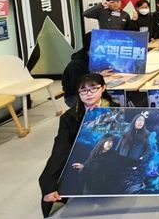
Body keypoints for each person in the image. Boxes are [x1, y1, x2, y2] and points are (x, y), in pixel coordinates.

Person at [39, 74, 118, 217]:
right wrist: (49, 185)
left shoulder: (117, 110)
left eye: (93, 88)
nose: (88, 94)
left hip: (108, 159)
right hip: (82, 157)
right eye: (83, 90)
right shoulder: (70, 117)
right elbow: (60, 149)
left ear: (103, 88)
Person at [61, 32, 113, 107]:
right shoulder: (76, 65)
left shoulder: (89, 58)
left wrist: (99, 74)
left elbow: (87, 75)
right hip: (75, 97)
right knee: (107, 100)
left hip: (87, 91)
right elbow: (79, 87)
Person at [117, 112, 151, 192]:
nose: (141, 122)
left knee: (129, 187)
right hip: (121, 162)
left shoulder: (145, 135)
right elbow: (118, 147)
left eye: (143, 121)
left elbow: (148, 150)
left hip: (134, 164)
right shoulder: (126, 133)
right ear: (134, 121)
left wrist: (142, 158)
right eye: (139, 120)